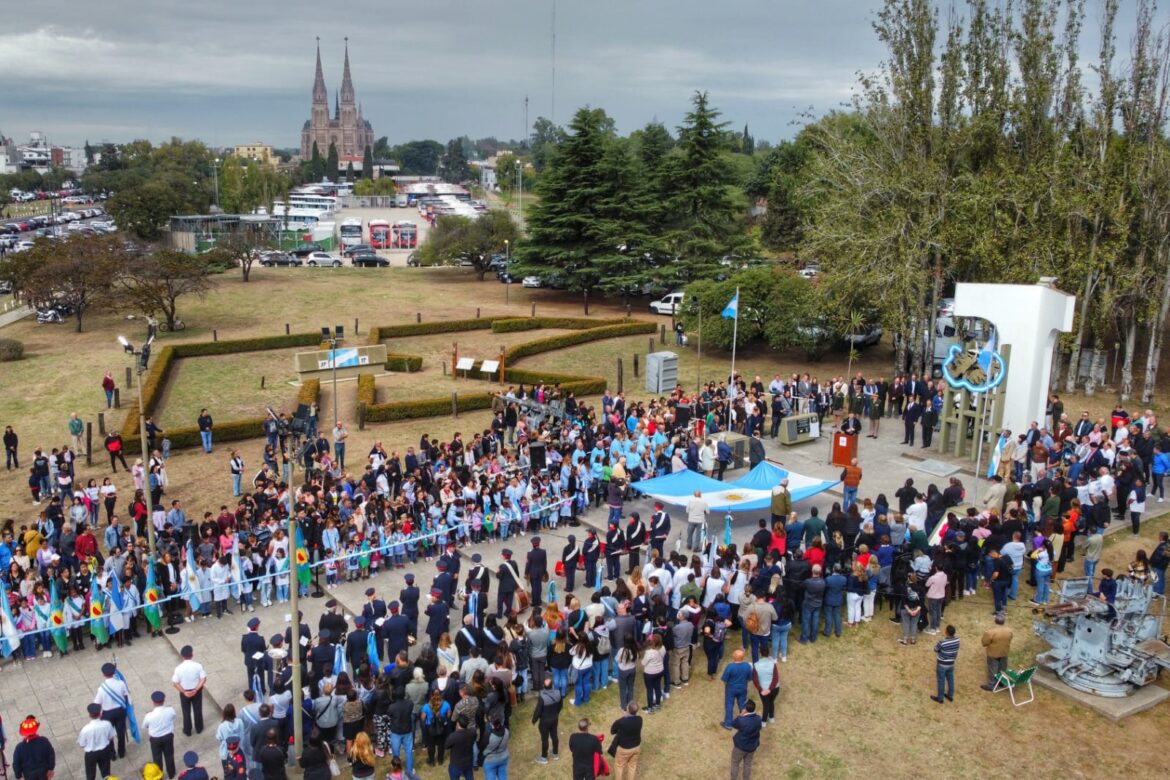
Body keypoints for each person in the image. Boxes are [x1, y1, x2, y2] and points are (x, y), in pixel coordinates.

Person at [93, 661, 130, 759]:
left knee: (109, 734)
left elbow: (97, 703)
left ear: (103, 674)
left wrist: (99, 715)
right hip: (119, 711)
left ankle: (112, 754)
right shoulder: (121, 683)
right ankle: (121, 752)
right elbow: (126, 696)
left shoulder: (101, 688)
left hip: (107, 713)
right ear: (114, 673)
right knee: (120, 732)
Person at [172, 645, 207, 736]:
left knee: (186, 711)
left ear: (182, 656)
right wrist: (196, 689)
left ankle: (187, 730)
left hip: (185, 692)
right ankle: (199, 728)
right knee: (197, 709)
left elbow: (175, 683)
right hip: (196, 691)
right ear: (192, 655)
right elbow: (203, 679)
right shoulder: (198, 666)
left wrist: (184, 692)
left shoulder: (178, 668)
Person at [143, 690, 178, 780]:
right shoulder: (170, 710)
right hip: (168, 736)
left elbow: (144, 726)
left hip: (155, 739)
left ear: (153, 702)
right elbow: (174, 716)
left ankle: (158, 775)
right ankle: (171, 773)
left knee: (157, 757)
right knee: (169, 755)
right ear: (163, 701)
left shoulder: (149, 716)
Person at [78, 703, 116, 780]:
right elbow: (111, 737)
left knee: (90, 774)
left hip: (91, 754)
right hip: (105, 751)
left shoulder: (85, 729)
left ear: (89, 715)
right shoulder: (107, 724)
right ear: (100, 714)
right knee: (106, 773)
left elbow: (82, 744)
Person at [531, 676, 563, 765]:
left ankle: (544, 757)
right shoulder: (558, 693)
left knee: (544, 739)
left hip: (544, 722)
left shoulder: (542, 697)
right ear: (552, 685)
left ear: (544, 687)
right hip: (554, 718)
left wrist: (534, 720)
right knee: (554, 736)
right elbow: (560, 706)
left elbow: (538, 711)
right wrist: (556, 713)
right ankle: (555, 753)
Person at [729, 700, 762, 780]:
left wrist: (740, 715)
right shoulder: (758, 719)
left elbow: (734, 724)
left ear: (745, 709)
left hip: (740, 747)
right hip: (752, 746)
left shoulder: (741, 720)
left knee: (735, 763)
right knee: (748, 764)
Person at [608, 702, 642, 780]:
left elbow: (612, 731)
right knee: (632, 766)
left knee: (619, 766)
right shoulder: (640, 719)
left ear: (627, 709)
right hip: (636, 747)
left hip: (624, 749)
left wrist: (623, 717)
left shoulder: (622, 721)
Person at [720, 649, 752, 730]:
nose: (732, 655)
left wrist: (726, 686)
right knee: (742, 704)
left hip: (731, 688)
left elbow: (724, 679)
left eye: (733, 654)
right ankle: (744, 722)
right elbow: (750, 678)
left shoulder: (730, 667)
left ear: (735, 657)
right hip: (743, 688)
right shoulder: (747, 666)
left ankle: (728, 724)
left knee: (729, 705)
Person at [980, 615, 1013, 691]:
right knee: (1002, 668)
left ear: (995, 621)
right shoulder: (1009, 631)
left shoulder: (990, 632)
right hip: (1004, 652)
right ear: (1003, 621)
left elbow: (984, 643)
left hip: (993, 653)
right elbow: (1010, 639)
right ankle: (1001, 681)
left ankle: (991, 685)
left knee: (992, 669)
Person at [931, 624, 960, 704]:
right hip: (951, 663)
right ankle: (950, 695)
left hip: (942, 664)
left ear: (946, 632)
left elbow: (935, 649)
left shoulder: (942, 642)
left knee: (941, 680)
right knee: (950, 679)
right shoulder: (957, 640)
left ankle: (940, 698)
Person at [444, 715, 476, 780]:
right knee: (469, 777)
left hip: (456, 764)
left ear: (458, 724)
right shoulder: (472, 733)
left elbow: (446, 746)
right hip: (468, 762)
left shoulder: (453, 736)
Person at [751, 652, 779, 725]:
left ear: (760, 654)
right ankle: (771, 717)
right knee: (771, 702)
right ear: (768, 653)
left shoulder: (756, 665)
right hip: (775, 688)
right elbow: (776, 678)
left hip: (764, 689)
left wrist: (761, 689)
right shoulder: (773, 664)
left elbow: (755, 680)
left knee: (766, 704)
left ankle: (763, 721)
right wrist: (770, 689)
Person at [480, 715, 511, 780]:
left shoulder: (488, 736)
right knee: (503, 776)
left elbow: (482, 746)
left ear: (492, 725)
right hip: (504, 757)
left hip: (490, 760)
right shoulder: (506, 731)